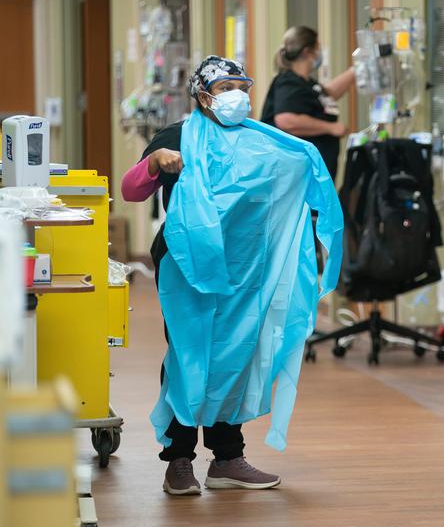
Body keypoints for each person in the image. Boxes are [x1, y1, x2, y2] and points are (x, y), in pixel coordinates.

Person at [121, 56, 281, 496]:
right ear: (204, 94)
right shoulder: (177, 137)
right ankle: (178, 460)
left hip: (243, 268)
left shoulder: (257, 140)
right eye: (226, 86)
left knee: (234, 353)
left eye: (242, 86)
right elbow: (131, 191)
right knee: (189, 356)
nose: (237, 95)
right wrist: (155, 162)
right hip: (188, 268)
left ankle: (227, 458)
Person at [261, 26, 355, 180]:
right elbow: (286, 120)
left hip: (311, 171)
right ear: (307, 52)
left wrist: (354, 71)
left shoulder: (306, 83)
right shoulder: (288, 82)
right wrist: (331, 128)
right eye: (318, 48)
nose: (320, 53)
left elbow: (327, 94)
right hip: (296, 174)